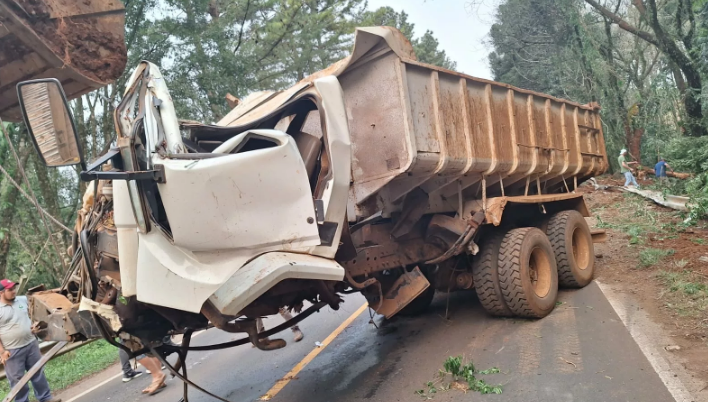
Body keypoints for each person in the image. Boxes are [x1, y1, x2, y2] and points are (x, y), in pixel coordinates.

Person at [0, 279, 61, 402]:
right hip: (12, 350)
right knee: (18, 381)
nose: (13, 291)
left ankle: (45, 398)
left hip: (31, 344)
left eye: (14, 288)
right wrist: (2, 352)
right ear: (1, 292)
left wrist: (36, 323)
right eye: (10, 290)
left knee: (38, 373)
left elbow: (35, 313)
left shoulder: (22, 300)